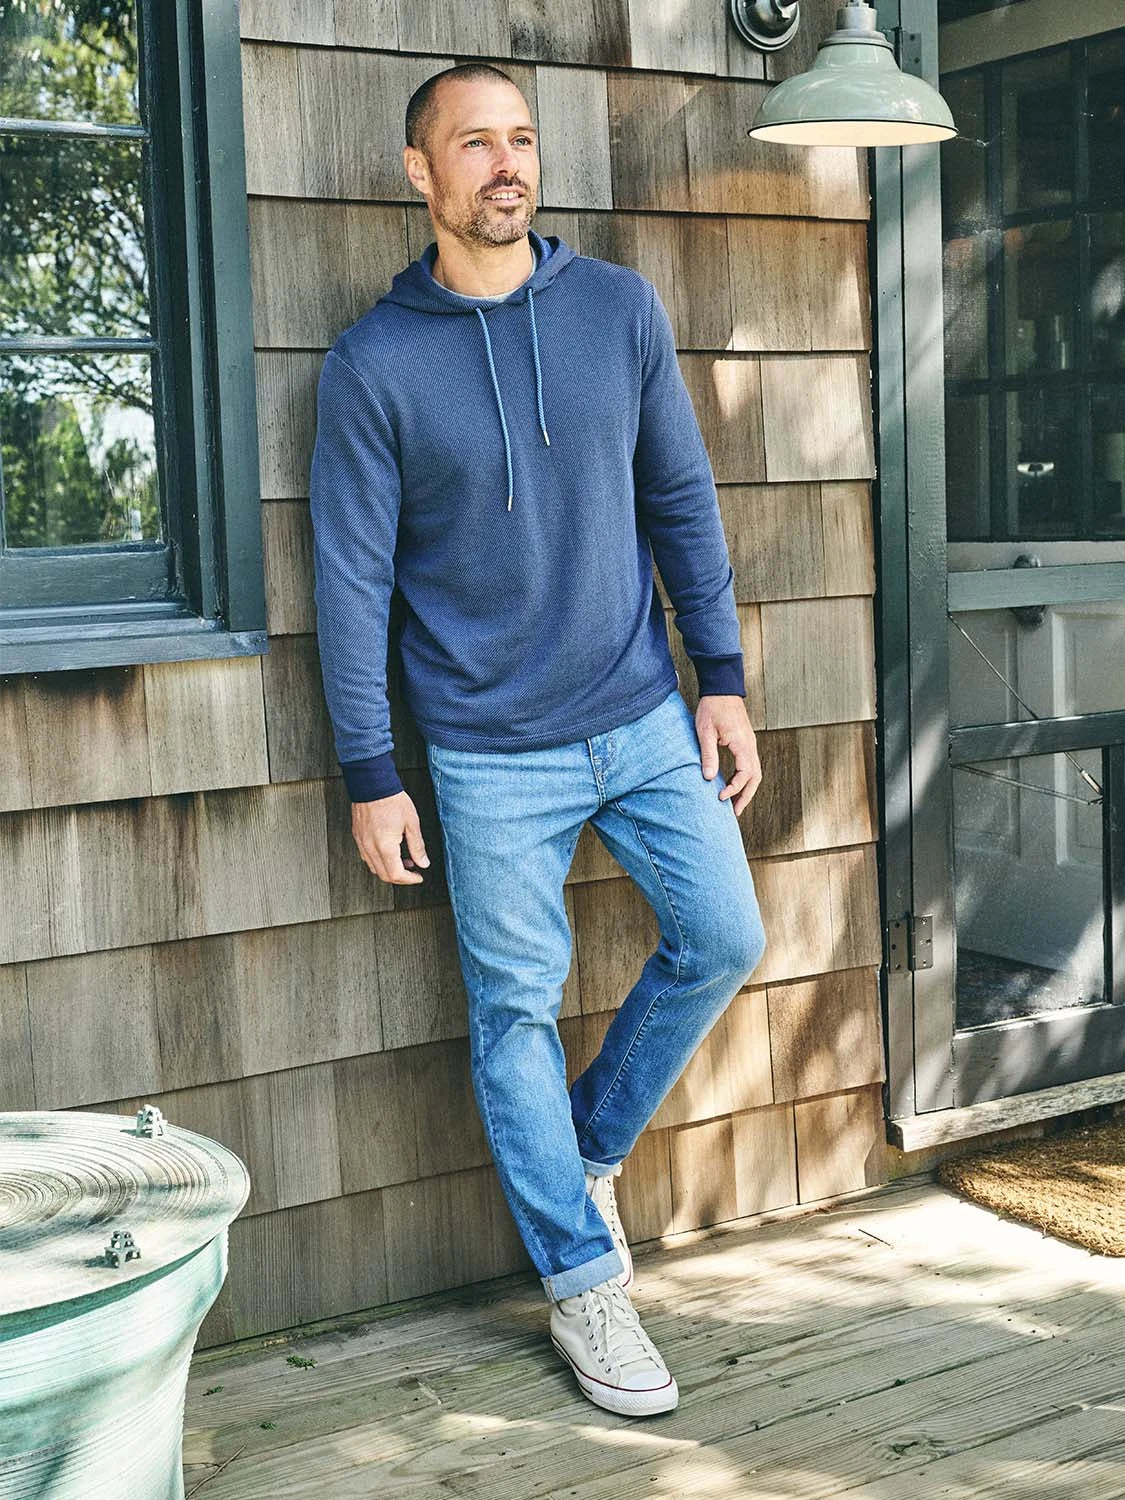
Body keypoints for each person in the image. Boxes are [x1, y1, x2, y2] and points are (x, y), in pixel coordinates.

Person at [309, 61, 767, 1420]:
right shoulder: (374, 366)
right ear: (420, 172)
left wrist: (721, 678)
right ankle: (582, 1281)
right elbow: (350, 582)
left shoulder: (617, 310)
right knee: (512, 1011)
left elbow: (679, 495)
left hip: (638, 713)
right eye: (474, 144)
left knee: (724, 935)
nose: (506, 163)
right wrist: (370, 770)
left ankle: (581, 1153)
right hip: (484, 749)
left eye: (520, 139)